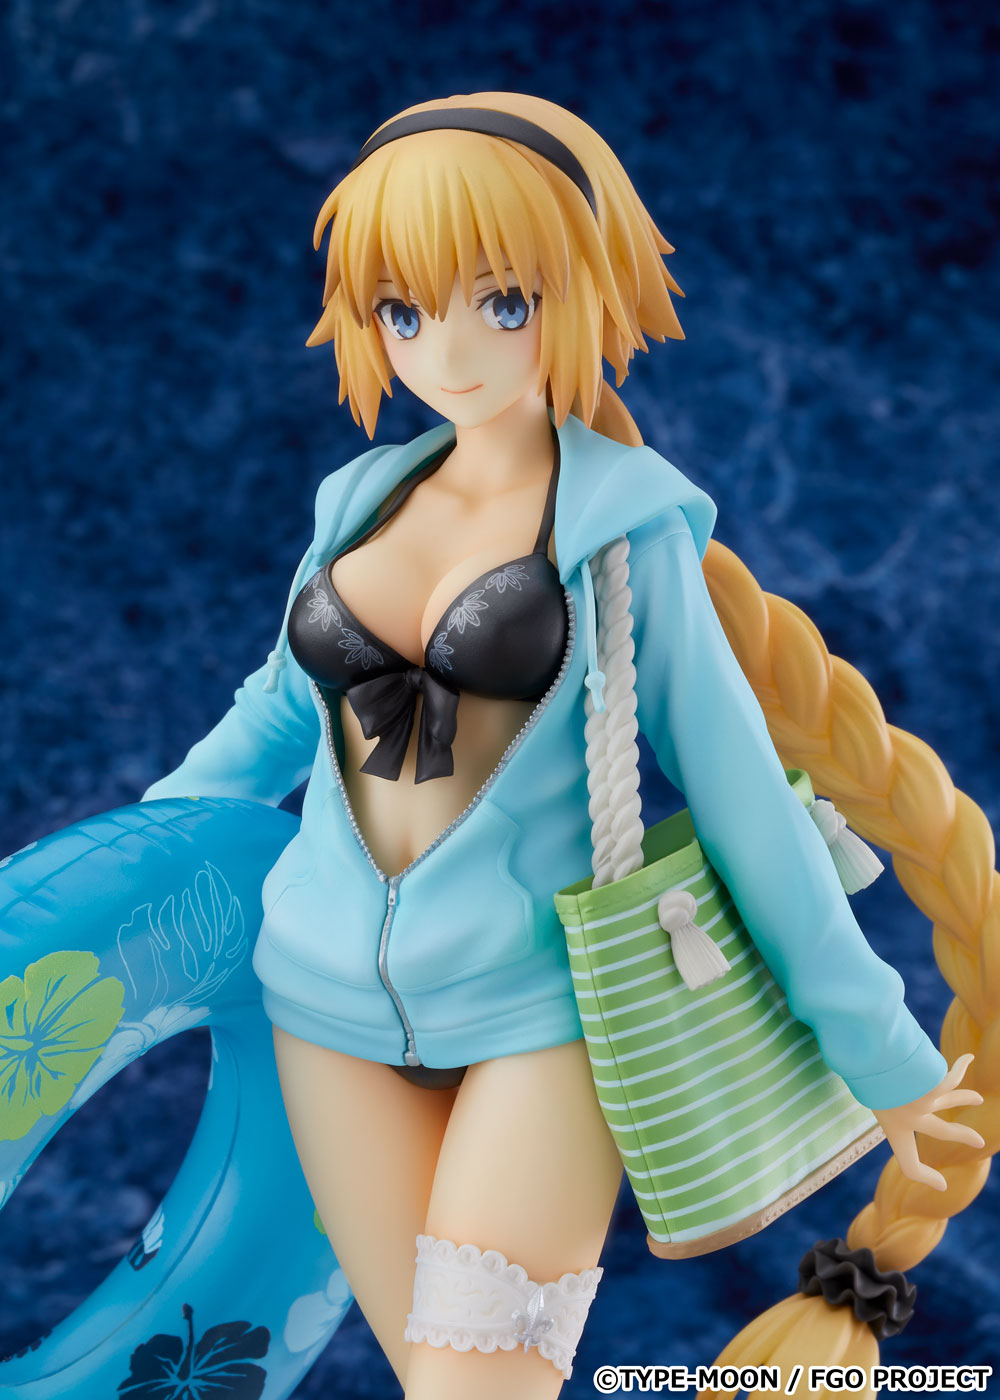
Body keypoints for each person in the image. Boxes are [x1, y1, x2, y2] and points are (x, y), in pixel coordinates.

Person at [141, 93, 985, 1399]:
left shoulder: (623, 531)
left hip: (540, 1010)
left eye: (502, 302)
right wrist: (107, 873)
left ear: (580, 289)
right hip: (318, 1000)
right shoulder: (357, 501)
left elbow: (744, 802)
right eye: (403, 311)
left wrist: (883, 1053)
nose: (448, 351)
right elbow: (270, 716)